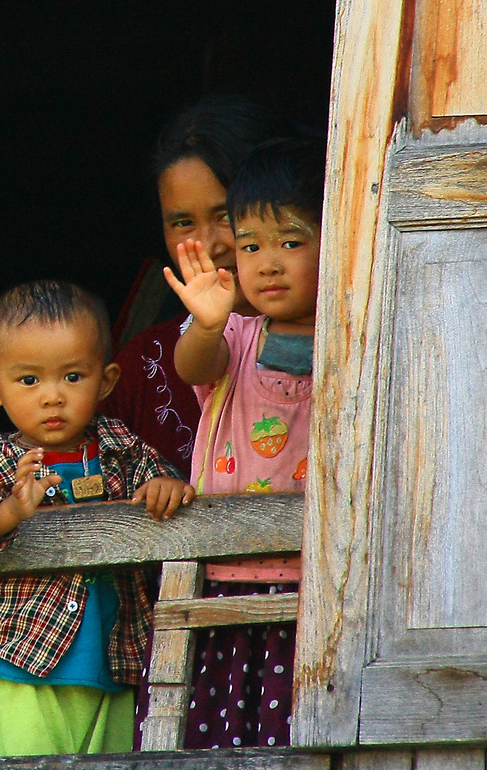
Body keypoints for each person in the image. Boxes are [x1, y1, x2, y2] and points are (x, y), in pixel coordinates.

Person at [0, 280, 196, 757]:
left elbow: (167, 481)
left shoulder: (123, 451)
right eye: (29, 380)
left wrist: (167, 486)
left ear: (107, 381)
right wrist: (9, 511)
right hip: (23, 664)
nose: (52, 396)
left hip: (114, 665)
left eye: (73, 377)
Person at [163, 138, 323, 748]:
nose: (269, 263)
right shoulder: (232, 331)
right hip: (227, 576)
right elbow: (191, 367)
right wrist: (206, 320)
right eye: (251, 246)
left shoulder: (357, 327)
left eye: (291, 242)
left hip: (319, 580)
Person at [103, 95, 292, 473]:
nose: (210, 245)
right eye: (183, 223)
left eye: (225, 215)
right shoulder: (141, 366)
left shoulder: (341, 343)